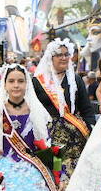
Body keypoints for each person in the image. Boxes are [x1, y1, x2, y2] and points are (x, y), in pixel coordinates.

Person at [35, 39, 96, 181]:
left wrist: (89, 127)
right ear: (51, 58)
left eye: (66, 54)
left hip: (73, 136)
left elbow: (86, 108)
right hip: (48, 135)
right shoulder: (38, 82)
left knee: (72, 174)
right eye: (59, 55)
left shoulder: (75, 80)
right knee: (54, 171)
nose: (63, 58)